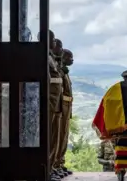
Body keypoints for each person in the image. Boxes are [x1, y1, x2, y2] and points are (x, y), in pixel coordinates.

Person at [47, 30, 64, 181]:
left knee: (55, 138)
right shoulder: (45, 58)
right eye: (53, 40)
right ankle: (48, 167)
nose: (54, 43)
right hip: (50, 102)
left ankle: (52, 166)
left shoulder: (52, 59)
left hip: (56, 102)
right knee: (50, 135)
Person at [55, 49, 74, 177]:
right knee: (59, 136)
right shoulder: (59, 70)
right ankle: (55, 165)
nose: (72, 60)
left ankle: (60, 163)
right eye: (70, 57)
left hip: (67, 106)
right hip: (61, 106)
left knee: (64, 137)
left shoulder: (64, 72)